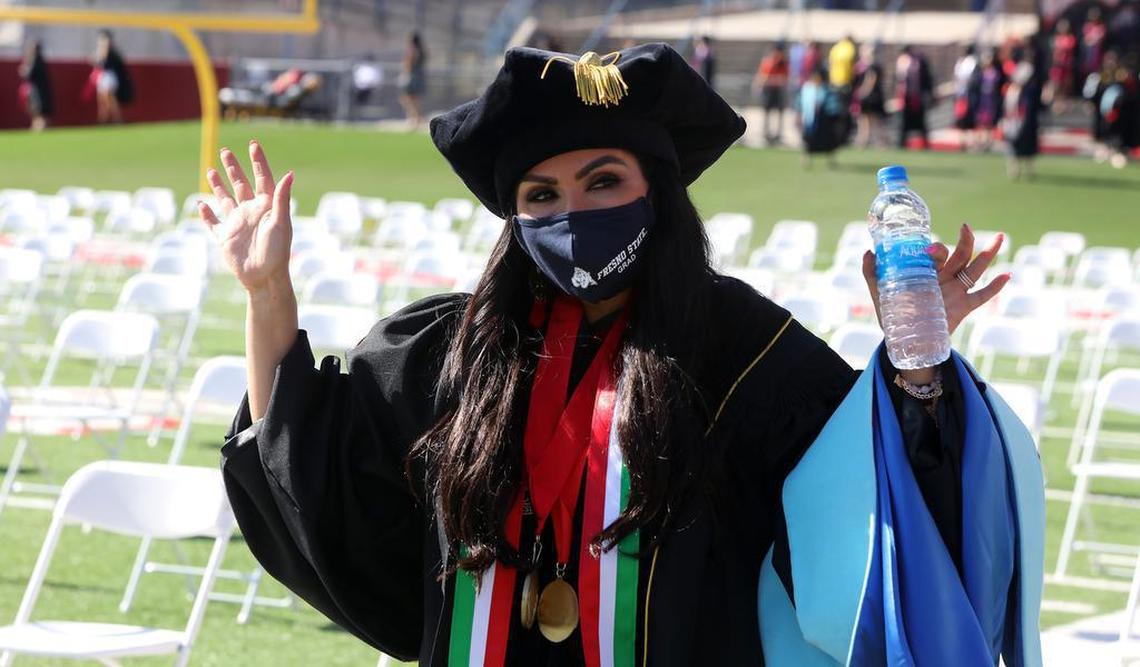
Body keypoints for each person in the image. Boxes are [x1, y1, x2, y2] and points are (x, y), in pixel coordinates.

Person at [205, 43, 1043, 666]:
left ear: (658, 192)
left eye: (604, 181)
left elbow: (863, 510)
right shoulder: (458, 352)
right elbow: (311, 465)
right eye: (543, 195)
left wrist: (918, 359)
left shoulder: (744, 352)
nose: (574, 212)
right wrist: (266, 291)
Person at [1003, 62, 1043, 180]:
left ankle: (1029, 169)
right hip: (1013, 122)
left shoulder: (1030, 91)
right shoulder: (1012, 90)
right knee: (1013, 146)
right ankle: (1014, 169)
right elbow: (1007, 107)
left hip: (1027, 123)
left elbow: (1034, 107)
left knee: (1028, 147)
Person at [797, 67, 843, 166]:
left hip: (824, 121)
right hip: (810, 121)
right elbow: (800, 103)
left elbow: (834, 106)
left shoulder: (827, 90)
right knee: (809, 141)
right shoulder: (807, 89)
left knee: (828, 142)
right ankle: (806, 159)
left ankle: (831, 160)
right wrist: (798, 115)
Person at [896, 45, 934, 149]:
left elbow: (927, 79)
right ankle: (902, 143)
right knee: (903, 121)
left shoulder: (919, 62)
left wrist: (929, 94)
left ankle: (925, 143)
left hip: (917, 97)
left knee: (921, 122)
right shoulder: (901, 62)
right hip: (905, 97)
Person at [91, 29, 133, 124]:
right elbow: (96, 63)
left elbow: (107, 64)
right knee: (102, 100)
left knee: (110, 99)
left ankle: (117, 119)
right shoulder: (99, 50)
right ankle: (103, 119)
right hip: (102, 77)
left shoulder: (112, 52)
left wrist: (101, 58)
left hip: (109, 77)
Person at [752, 43, 790, 145]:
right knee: (767, 112)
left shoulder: (783, 63)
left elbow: (784, 79)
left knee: (779, 112)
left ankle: (778, 133)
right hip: (769, 90)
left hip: (778, 91)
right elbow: (762, 78)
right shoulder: (768, 62)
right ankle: (766, 133)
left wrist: (773, 80)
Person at [972, 48, 1007, 152]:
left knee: (989, 123)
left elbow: (999, 86)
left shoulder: (996, 73)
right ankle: (979, 142)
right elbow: (976, 87)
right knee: (980, 122)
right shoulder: (980, 73)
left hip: (991, 100)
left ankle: (988, 142)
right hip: (982, 100)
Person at [852, 43, 886, 148]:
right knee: (865, 120)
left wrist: (862, 92)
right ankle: (864, 141)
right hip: (870, 96)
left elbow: (870, 80)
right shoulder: (863, 66)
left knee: (872, 120)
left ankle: (877, 142)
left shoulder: (872, 66)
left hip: (871, 97)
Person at [17, 39, 53, 132]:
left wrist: (23, 70)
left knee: (40, 114)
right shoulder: (39, 59)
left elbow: (28, 74)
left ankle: (39, 129)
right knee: (39, 114)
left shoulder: (36, 60)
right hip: (40, 92)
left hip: (38, 93)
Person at [398, 31, 427, 129]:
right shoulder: (422, 51)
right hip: (419, 76)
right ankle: (417, 118)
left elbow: (408, 64)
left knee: (406, 99)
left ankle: (415, 118)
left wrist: (404, 74)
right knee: (415, 99)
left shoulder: (413, 50)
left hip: (411, 77)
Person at [952, 45, 979, 150]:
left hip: (961, 94)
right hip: (969, 94)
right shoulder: (972, 63)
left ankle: (963, 141)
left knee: (963, 119)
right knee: (968, 119)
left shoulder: (961, 63)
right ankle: (969, 142)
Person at [1048, 19, 1078, 109]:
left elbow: (1068, 48)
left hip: (1066, 66)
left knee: (1066, 85)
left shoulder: (1070, 39)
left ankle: (1065, 101)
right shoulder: (1056, 39)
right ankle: (1057, 102)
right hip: (1057, 66)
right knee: (1056, 85)